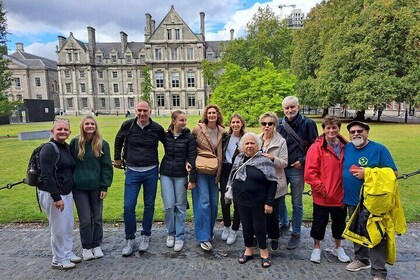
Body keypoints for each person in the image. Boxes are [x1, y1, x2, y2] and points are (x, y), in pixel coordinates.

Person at [343, 121, 397, 280]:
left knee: (376, 235)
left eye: (359, 131)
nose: (355, 134)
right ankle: (361, 259)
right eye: (352, 132)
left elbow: (393, 172)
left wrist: (368, 173)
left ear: (367, 132)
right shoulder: (348, 148)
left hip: (373, 201)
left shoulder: (379, 149)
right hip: (352, 199)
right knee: (357, 231)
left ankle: (379, 272)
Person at [114, 101, 165, 256]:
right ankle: (129, 238)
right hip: (132, 171)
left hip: (150, 171)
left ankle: (146, 235)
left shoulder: (156, 128)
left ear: (150, 111)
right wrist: (117, 158)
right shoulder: (128, 125)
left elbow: (169, 144)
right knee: (128, 206)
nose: (142, 114)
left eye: (145, 111)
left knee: (149, 205)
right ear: (135, 111)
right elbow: (118, 140)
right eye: (139, 111)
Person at [304, 115, 350, 264]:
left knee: (339, 223)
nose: (331, 130)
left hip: (340, 194)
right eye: (328, 128)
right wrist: (322, 189)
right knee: (319, 222)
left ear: (338, 128)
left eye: (334, 127)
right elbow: (310, 173)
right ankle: (316, 247)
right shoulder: (316, 147)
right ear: (323, 129)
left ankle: (338, 247)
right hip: (322, 195)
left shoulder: (346, 146)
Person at [229, 132, 277, 268]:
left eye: (252, 143)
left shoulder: (265, 161)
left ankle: (264, 253)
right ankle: (248, 250)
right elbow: (233, 177)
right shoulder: (238, 158)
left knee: (260, 227)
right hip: (241, 201)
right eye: (247, 143)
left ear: (258, 145)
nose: (249, 146)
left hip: (259, 202)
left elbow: (273, 183)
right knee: (246, 227)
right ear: (242, 146)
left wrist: (269, 202)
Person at [38, 118, 80, 270]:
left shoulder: (65, 147)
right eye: (59, 129)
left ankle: (67, 252)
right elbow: (46, 175)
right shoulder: (49, 149)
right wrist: (56, 197)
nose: (63, 132)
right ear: (52, 131)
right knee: (58, 227)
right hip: (52, 193)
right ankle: (58, 258)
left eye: (65, 130)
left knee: (68, 225)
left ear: (69, 131)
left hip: (66, 191)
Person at [277, 96, 318, 249]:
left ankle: (296, 232)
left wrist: (303, 160)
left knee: (297, 203)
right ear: (283, 110)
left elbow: (315, 147)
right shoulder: (279, 124)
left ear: (298, 107)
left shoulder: (308, 123)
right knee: (279, 198)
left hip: (296, 169)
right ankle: (284, 223)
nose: (290, 110)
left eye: (292, 107)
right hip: (281, 168)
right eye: (287, 108)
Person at [70, 116, 113, 261]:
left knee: (97, 218)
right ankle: (86, 247)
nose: (90, 126)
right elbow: (70, 165)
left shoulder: (102, 144)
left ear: (96, 126)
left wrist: (104, 186)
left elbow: (106, 167)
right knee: (85, 220)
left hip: (96, 186)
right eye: (87, 124)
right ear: (82, 126)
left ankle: (96, 244)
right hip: (79, 187)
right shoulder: (75, 143)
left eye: (92, 124)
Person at [160, 110, 197, 252]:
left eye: (185, 120)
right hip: (166, 173)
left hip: (181, 174)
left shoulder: (189, 137)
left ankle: (180, 236)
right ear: (174, 121)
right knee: (169, 206)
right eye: (181, 120)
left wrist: (192, 179)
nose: (184, 123)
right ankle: (171, 233)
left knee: (180, 206)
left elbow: (192, 157)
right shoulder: (166, 135)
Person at [191, 104, 224, 251]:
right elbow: (189, 146)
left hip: (215, 171)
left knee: (213, 203)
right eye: (209, 113)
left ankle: (208, 232)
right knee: (203, 202)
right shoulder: (198, 129)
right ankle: (203, 237)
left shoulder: (222, 131)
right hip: (201, 171)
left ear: (218, 115)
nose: (212, 115)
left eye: (214, 113)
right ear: (206, 114)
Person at [258, 112, 288, 251]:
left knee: (273, 212)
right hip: (259, 182)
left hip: (274, 182)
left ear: (274, 125)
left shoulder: (281, 141)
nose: (267, 126)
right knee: (260, 212)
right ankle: (261, 235)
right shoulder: (257, 139)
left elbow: (285, 163)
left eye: (270, 123)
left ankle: (274, 236)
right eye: (264, 123)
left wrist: (272, 158)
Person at [220, 114, 245, 245]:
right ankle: (227, 226)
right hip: (225, 170)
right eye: (233, 122)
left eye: (238, 122)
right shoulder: (225, 137)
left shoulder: (245, 138)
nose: (235, 124)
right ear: (230, 124)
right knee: (224, 200)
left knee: (238, 201)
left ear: (242, 124)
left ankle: (235, 229)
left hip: (238, 172)